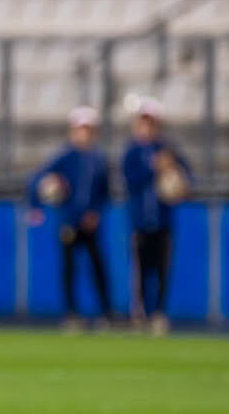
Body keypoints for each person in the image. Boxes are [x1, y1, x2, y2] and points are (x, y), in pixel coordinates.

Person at [27, 106, 113, 331]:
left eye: (87, 129)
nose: (83, 133)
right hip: (68, 222)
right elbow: (38, 180)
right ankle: (71, 313)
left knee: (97, 267)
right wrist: (37, 205)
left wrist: (96, 213)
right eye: (80, 129)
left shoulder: (98, 159)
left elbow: (105, 192)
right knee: (69, 269)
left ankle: (106, 313)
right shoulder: (64, 157)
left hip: (91, 223)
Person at [122, 97, 190, 336]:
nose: (146, 128)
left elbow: (186, 178)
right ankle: (140, 313)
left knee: (162, 270)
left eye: (150, 124)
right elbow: (130, 181)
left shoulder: (167, 150)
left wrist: (176, 176)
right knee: (140, 270)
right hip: (140, 221)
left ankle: (159, 313)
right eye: (143, 123)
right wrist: (154, 168)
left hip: (163, 221)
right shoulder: (132, 152)